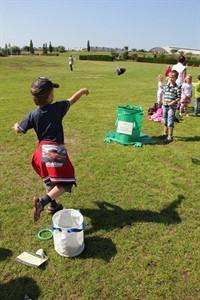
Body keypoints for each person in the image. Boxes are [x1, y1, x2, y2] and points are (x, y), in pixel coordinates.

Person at [13, 77, 89, 221]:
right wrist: (82, 90)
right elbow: (72, 100)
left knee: (49, 180)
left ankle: (53, 206)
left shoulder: (33, 114)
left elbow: (20, 130)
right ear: (49, 97)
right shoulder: (58, 108)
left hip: (40, 153)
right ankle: (43, 202)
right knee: (65, 183)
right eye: (52, 91)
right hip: (54, 151)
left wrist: (16, 126)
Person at [158, 70, 181, 143]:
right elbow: (163, 94)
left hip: (172, 107)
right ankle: (165, 133)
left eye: (173, 77)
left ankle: (170, 136)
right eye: (170, 77)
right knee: (165, 119)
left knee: (170, 120)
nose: (171, 79)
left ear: (176, 78)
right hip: (165, 106)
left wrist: (173, 102)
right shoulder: (166, 86)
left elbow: (179, 97)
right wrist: (163, 101)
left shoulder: (177, 87)